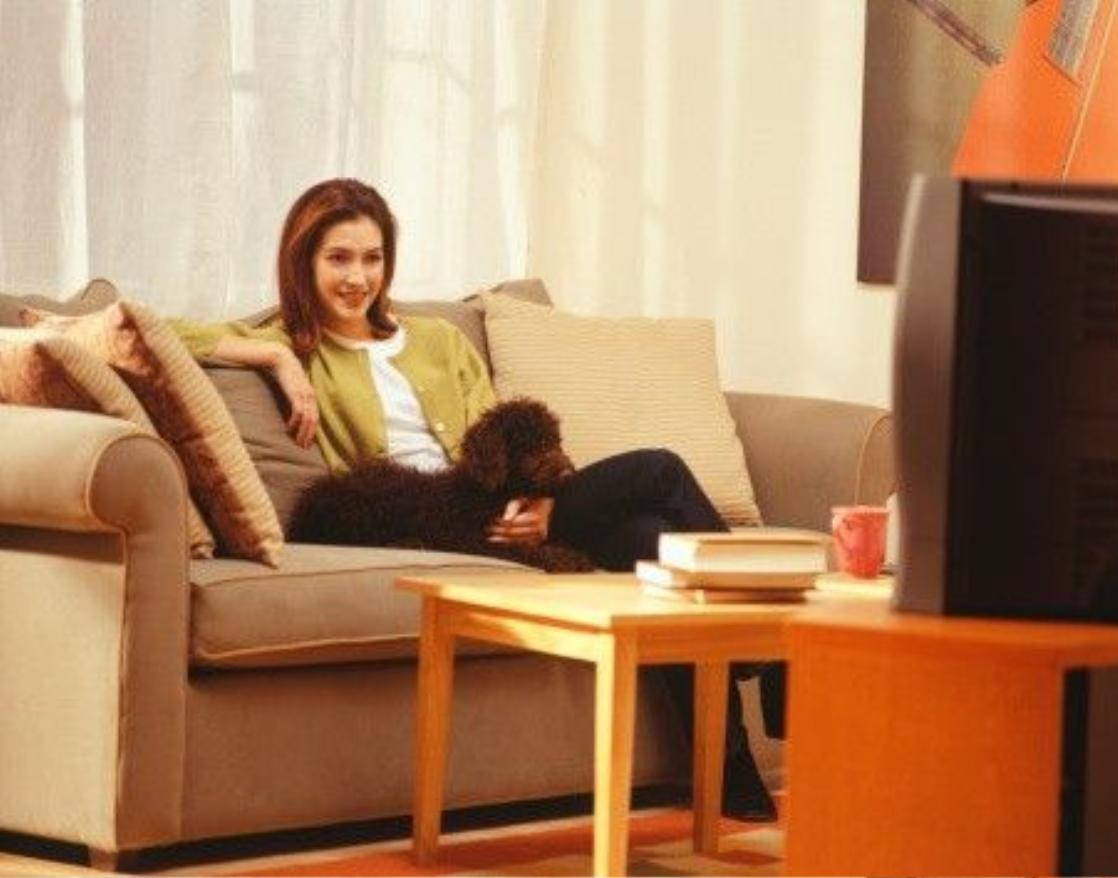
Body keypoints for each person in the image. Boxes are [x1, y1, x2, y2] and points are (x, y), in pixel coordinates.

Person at [172, 178, 777, 821]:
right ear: (303, 261)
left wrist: (543, 508)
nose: (358, 277)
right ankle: (765, 649)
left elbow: (499, 439)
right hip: (433, 517)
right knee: (660, 473)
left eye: (372, 258)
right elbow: (152, 331)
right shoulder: (291, 343)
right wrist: (277, 360)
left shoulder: (438, 340)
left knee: (651, 544)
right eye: (339, 258)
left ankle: (727, 764)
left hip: (503, 500)